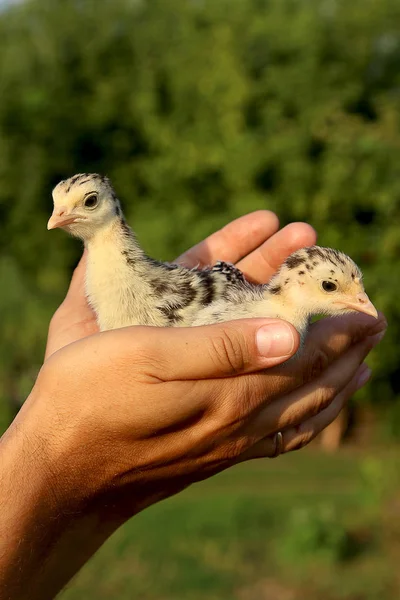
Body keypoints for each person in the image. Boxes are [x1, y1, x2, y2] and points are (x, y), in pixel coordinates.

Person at [0, 211, 385, 600]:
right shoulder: (259, 321)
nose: (359, 299)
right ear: (297, 285)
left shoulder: (275, 321)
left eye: (355, 289)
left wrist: (81, 483)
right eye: (331, 286)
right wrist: (63, 457)